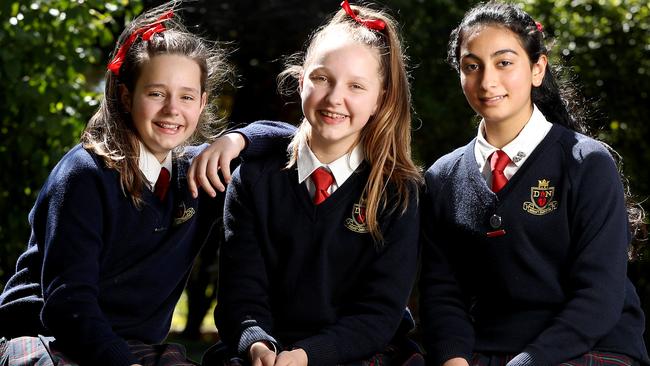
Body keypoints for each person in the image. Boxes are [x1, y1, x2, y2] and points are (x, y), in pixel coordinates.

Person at [0, 3, 292, 365]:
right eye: (156, 93)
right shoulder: (85, 174)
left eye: (186, 96)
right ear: (127, 97)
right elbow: (67, 302)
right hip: (51, 337)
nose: (172, 109)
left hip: (136, 345)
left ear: (202, 104)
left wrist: (239, 139)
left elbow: (297, 141)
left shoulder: (197, 172)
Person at [418, 2, 649, 366]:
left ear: (537, 68)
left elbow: (599, 296)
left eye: (504, 62)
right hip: (486, 351)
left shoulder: (587, 163)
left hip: (586, 348)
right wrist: (453, 359)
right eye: (471, 66)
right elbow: (442, 293)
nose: (487, 81)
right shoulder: (441, 178)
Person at [201, 1, 423, 365]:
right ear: (301, 79)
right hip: (267, 350)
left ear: (380, 99)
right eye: (322, 78)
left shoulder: (398, 192)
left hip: (359, 351)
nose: (335, 98)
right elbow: (242, 297)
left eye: (356, 86)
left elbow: (378, 314)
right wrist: (258, 344)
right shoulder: (254, 180)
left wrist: (306, 356)